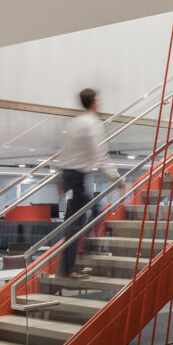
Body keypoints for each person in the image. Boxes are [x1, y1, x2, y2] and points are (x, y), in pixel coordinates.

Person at [56, 88, 122, 280]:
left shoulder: (73, 123)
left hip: (67, 173)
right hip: (77, 176)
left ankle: (74, 259)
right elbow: (99, 154)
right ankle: (69, 268)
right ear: (94, 103)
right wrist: (116, 177)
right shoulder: (92, 124)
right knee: (78, 223)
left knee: (78, 220)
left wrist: (61, 177)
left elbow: (64, 150)